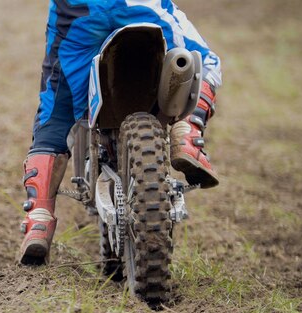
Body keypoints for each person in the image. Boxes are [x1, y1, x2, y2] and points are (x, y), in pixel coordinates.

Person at [19, 0, 222, 265]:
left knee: (57, 104)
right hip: (139, 5)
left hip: (79, 14)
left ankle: (39, 218)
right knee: (204, 62)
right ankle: (186, 132)